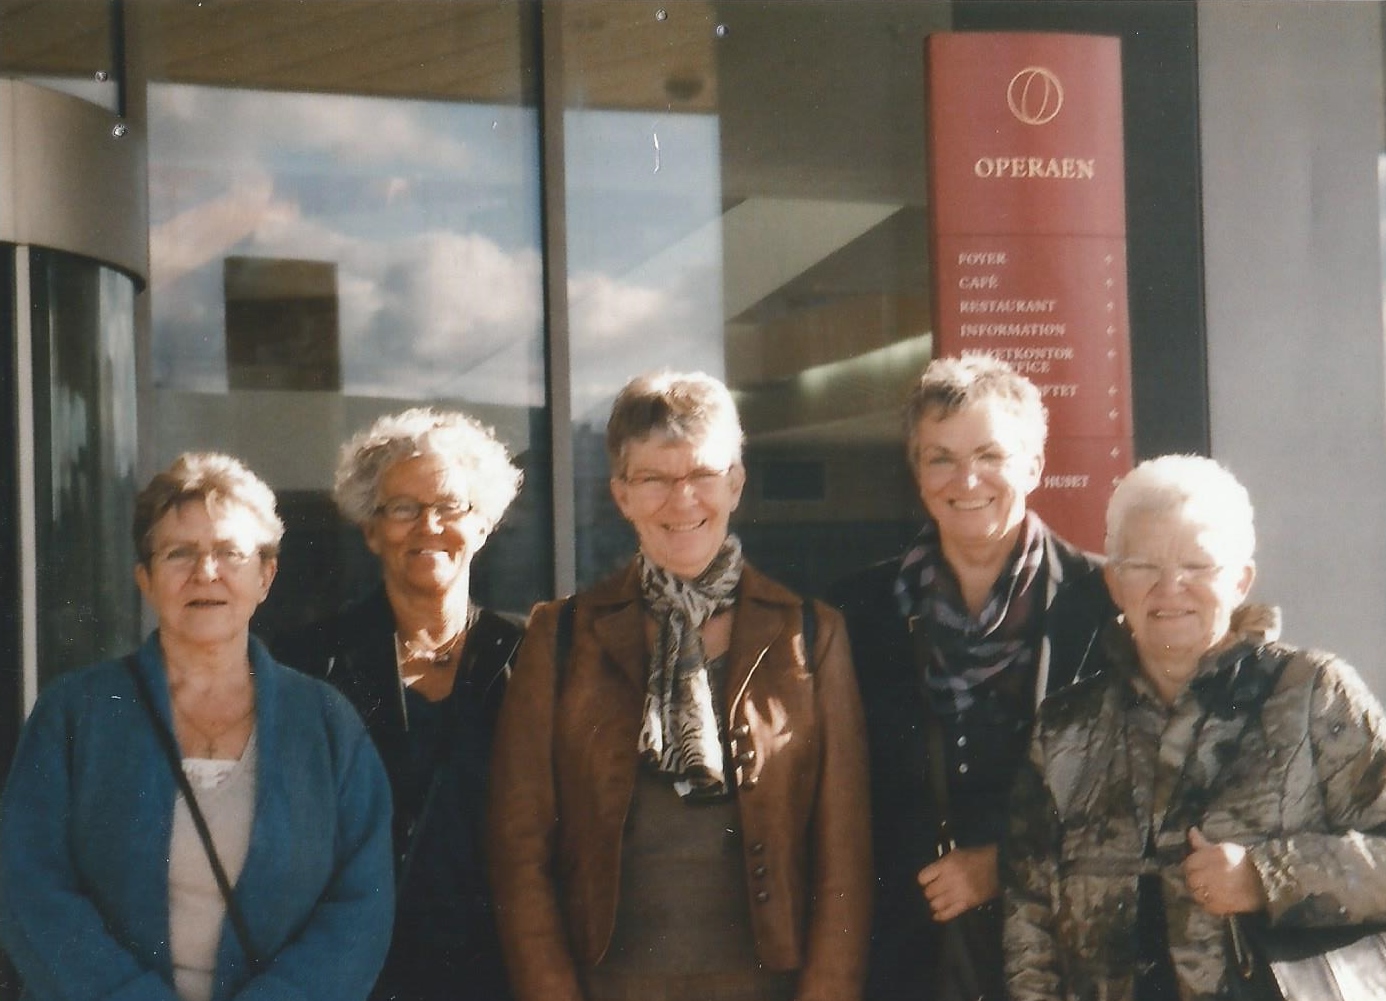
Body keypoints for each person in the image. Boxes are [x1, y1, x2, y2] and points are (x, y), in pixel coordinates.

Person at [488, 370, 872, 1001]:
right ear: (621, 495)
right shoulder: (559, 638)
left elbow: (845, 860)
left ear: (736, 483)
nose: (682, 499)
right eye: (654, 479)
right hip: (609, 987)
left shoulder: (811, 634)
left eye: (701, 475)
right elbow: (519, 853)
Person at [1003, 454, 1386, 1001]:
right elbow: (1029, 915)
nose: (1171, 587)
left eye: (1198, 565)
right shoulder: (1066, 729)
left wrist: (1267, 876)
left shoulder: (1312, 692)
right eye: (1144, 566)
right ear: (1115, 584)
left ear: (1241, 580)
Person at [0, 452, 393, 1001]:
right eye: (179, 553)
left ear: (266, 575)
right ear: (145, 578)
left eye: (230, 552)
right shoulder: (75, 712)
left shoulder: (327, 725)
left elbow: (361, 907)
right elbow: (28, 889)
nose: (205, 572)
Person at [828, 352, 1115, 1001]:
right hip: (908, 962)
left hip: (1069, 958)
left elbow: (1140, 789)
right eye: (941, 457)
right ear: (916, 472)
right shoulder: (855, 610)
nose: (967, 478)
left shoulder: (1105, 603)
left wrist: (1002, 868)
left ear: (1035, 466)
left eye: (991, 454)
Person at [271, 408, 524, 1001]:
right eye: (403, 509)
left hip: (503, 975)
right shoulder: (307, 665)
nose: (427, 525)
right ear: (370, 529)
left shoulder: (535, 655)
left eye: (450, 506)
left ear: (483, 525)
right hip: (357, 978)